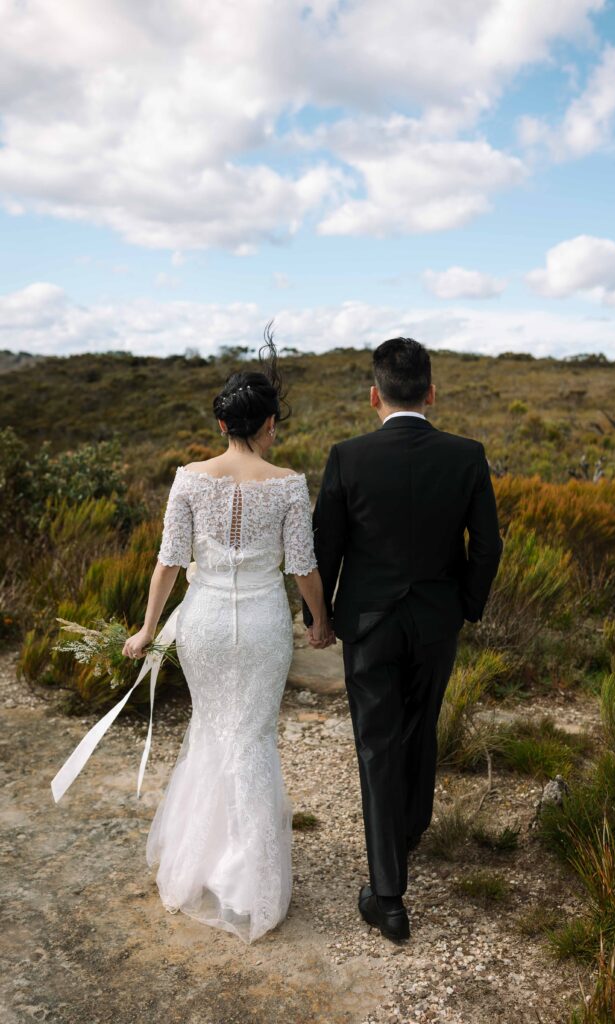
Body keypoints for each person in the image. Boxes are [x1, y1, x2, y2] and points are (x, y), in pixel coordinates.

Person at [51, 327, 334, 943]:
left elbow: (168, 563)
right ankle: (249, 881)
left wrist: (149, 628)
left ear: (225, 424)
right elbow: (303, 567)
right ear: (268, 425)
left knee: (212, 733)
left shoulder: (188, 478)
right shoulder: (287, 483)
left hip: (202, 624)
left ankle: (201, 866)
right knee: (252, 739)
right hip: (261, 626)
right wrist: (321, 621)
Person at [304, 337, 503, 943]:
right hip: (436, 620)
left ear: (374, 395)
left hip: (369, 623)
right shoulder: (467, 455)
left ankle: (388, 897)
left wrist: (320, 618)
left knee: (376, 745)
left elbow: (324, 546)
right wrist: (466, 605)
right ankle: (409, 831)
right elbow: (487, 545)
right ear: (431, 393)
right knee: (421, 730)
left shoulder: (347, 456)